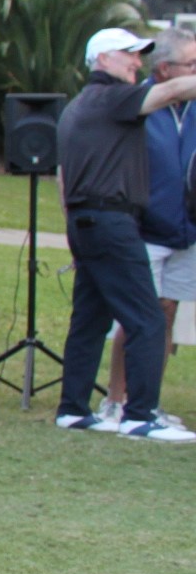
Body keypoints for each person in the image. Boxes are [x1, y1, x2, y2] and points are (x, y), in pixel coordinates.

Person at [54, 26, 196, 441]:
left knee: (91, 319)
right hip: (110, 222)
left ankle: (73, 408)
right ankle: (140, 416)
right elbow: (172, 92)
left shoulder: (85, 102)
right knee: (148, 319)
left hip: (88, 223)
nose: (138, 62)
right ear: (102, 60)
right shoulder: (112, 98)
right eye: (128, 55)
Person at [103, 27, 196, 425]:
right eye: (191, 65)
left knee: (167, 314)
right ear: (163, 70)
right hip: (143, 230)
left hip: (187, 231)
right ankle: (116, 399)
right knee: (137, 318)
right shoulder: (134, 103)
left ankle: (149, 402)